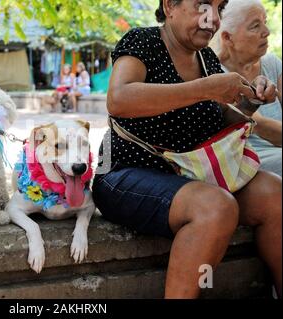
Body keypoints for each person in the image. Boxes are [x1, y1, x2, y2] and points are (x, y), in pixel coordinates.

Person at [92, 0, 281, 298]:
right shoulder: (143, 41)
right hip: (126, 174)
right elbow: (118, 99)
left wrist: (250, 101)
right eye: (202, 6)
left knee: (275, 193)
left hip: (191, 175)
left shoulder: (205, 58)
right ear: (169, 6)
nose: (212, 20)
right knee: (216, 206)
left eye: (219, 9)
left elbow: (216, 123)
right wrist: (205, 88)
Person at [215, 0, 282, 176]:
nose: (266, 32)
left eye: (265, 23)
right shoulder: (216, 75)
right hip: (249, 159)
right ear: (227, 37)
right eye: (255, 26)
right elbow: (262, 126)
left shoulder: (272, 63)